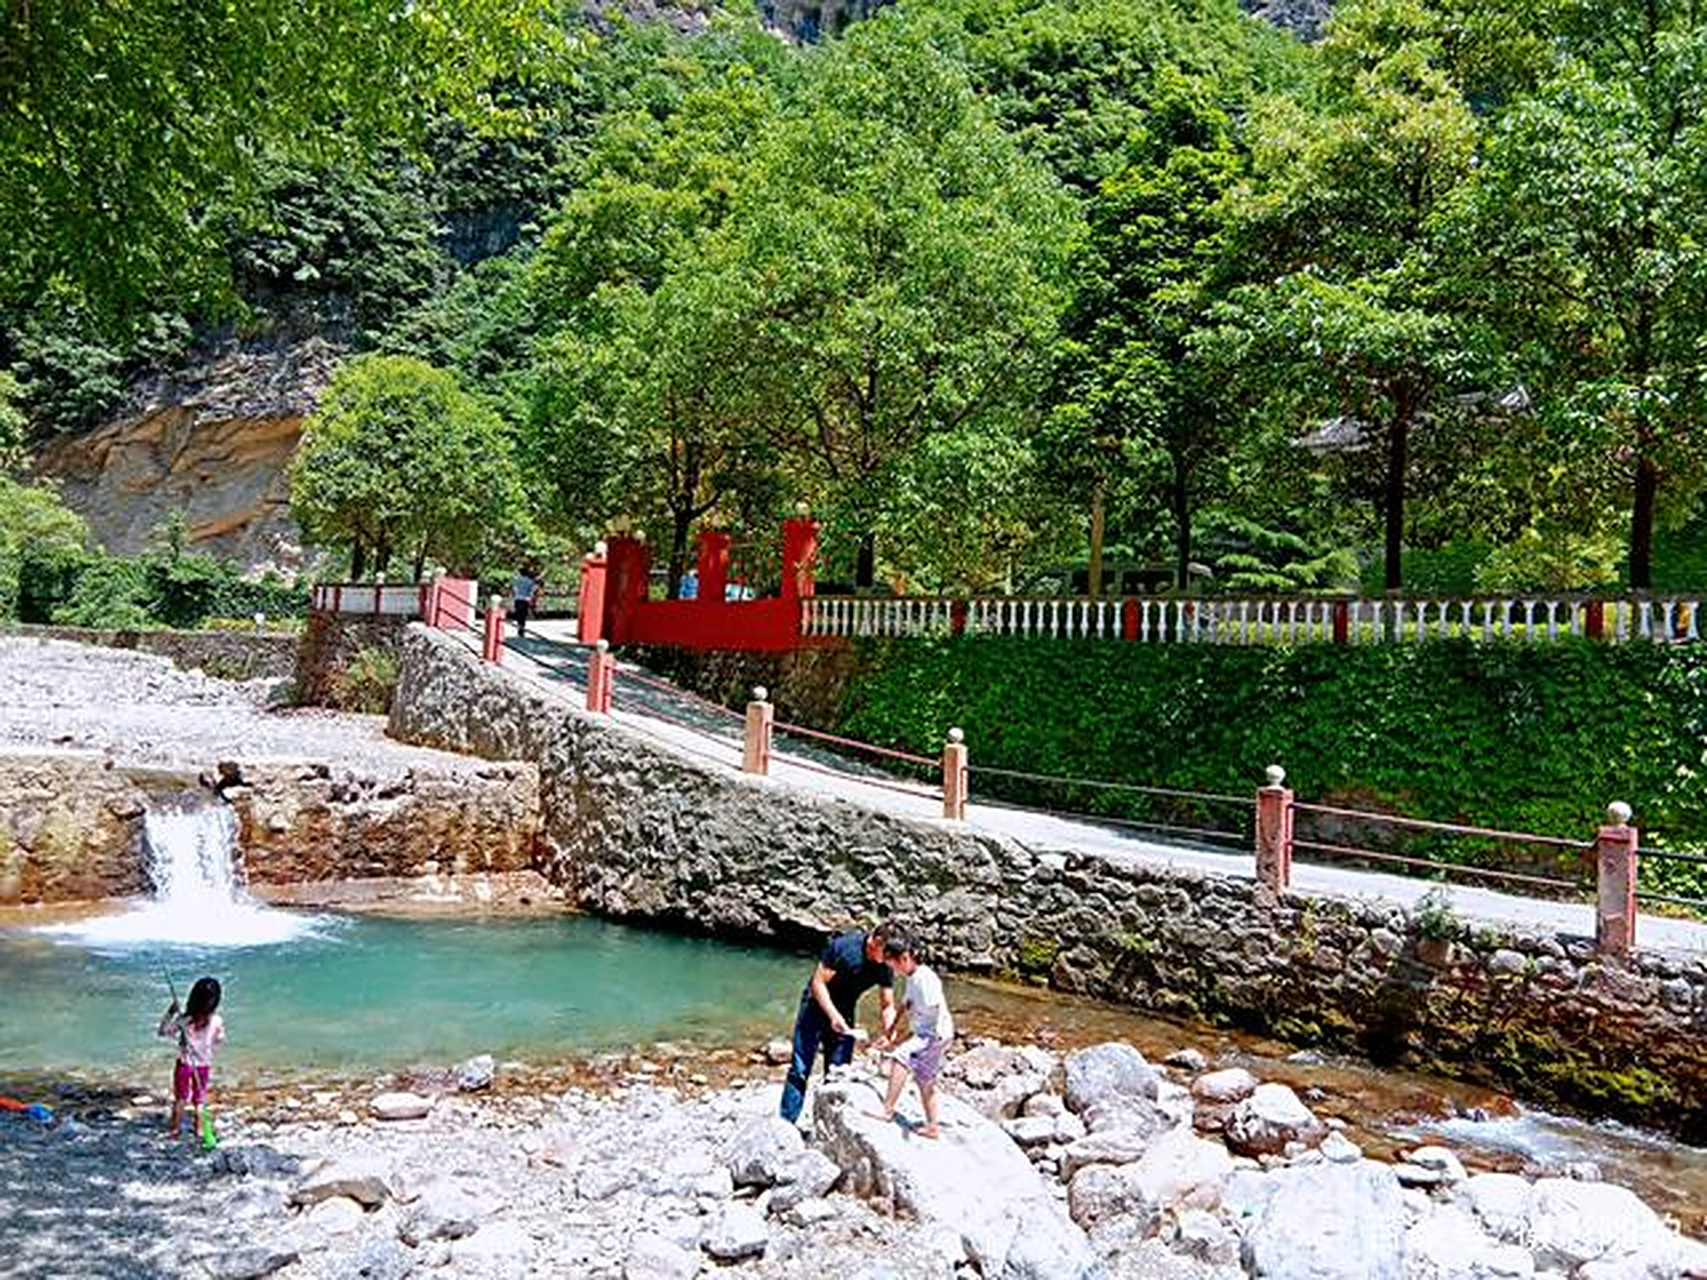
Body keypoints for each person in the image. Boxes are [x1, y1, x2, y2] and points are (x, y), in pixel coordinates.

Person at [779, 922, 898, 1124]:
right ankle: (786, 1123)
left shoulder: (884, 965)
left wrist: (890, 1031)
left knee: (838, 1071)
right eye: (887, 954)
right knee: (800, 1068)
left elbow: (887, 1005)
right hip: (815, 1006)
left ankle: (829, 1126)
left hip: (845, 1009)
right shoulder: (844, 947)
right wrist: (833, 1016)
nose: (890, 960)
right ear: (876, 942)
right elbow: (818, 983)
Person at [870, 934, 954, 1138]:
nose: (893, 970)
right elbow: (905, 1006)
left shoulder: (926, 978)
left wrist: (919, 1040)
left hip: (935, 1034)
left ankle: (887, 1110)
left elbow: (934, 1006)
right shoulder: (912, 977)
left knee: (900, 1057)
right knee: (924, 1079)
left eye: (893, 964)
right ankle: (932, 1127)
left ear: (905, 958)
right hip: (932, 1034)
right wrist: (890, 1033)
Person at [158, 976, 225, 1141]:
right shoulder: (216, 1021)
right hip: (203, 1065)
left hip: (184, 1064)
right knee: (199, 1101)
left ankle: (175, 1130)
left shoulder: (185, 1020)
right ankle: (200, 1130)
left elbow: (163, 1032)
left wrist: (170, 1013)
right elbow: (219, 1039)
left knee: (180, 1098)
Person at [511, 567, 540, 638]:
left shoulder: (516, 580)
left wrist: (514, 596)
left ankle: (519, 627)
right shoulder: (530, 581)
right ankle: (522, 628)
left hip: (518, 598)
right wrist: (531, 599)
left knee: (518, 614)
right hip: (525, 599)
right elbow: (532, 590)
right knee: (523, 614)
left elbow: (514, 589)